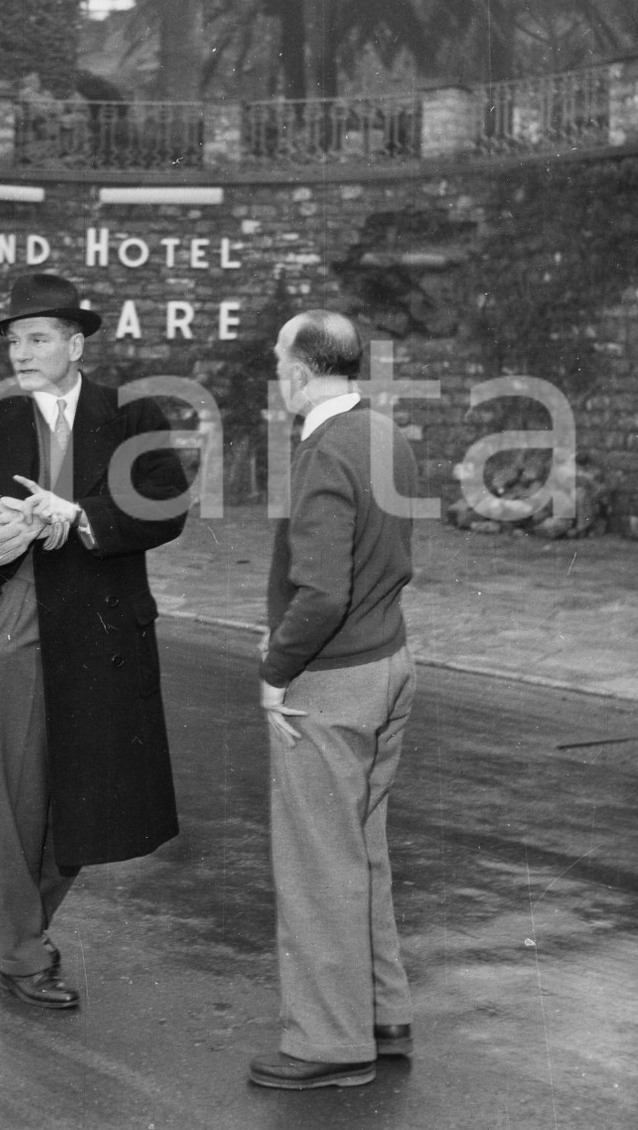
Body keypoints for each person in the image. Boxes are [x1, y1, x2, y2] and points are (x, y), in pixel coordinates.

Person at [0, 273, 189, 1010]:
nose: (22, 352)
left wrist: (78, 515)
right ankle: (22, 953)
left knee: (91, 795)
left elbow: (166, 504)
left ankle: (14, 899)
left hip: (101, 625)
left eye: (38, 338)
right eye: (13, 340)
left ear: (75, 342)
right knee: (17, 797)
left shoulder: (131, 414)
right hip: (17, 620)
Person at [249, 310, 418, 1091]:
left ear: (300, 370)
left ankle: (327, 1044)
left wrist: (276, 672)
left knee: (319, 865)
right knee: (362, 852)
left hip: (332, 679)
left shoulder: (322, 452)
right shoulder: (386, 435)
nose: (275, 373)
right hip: (390, 663)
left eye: (279, 359)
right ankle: (381, 1018)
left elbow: (320, 594)